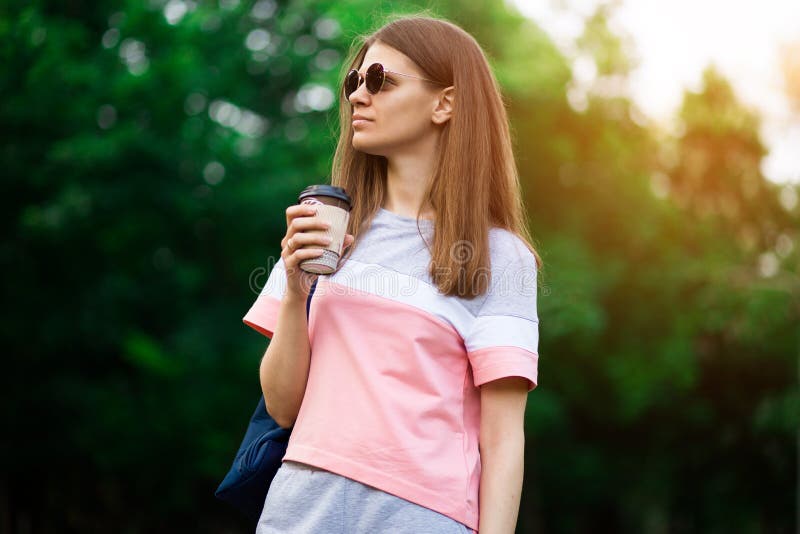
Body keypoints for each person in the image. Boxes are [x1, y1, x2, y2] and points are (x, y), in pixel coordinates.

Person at [243, 14, 543, 534]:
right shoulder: (325, 226)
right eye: (354, 82)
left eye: (380, 80)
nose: (359, 95)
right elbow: (283, 407)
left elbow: (503, 440)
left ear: (445, 103)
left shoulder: (501, 257)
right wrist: (296, 292)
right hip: (300, 512)